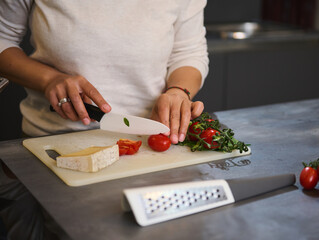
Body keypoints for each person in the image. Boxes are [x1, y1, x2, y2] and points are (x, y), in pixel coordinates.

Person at [0, 0, 209, 239]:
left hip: (149, 155)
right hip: (52, 150)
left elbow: (189, 52)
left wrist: (178, 90)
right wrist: (49, 80)